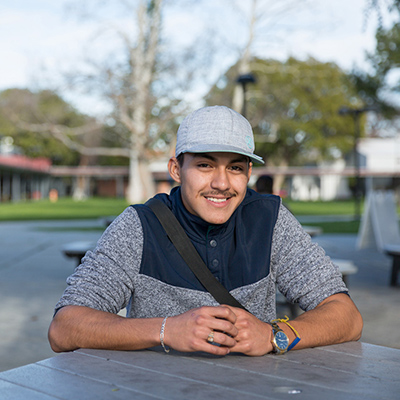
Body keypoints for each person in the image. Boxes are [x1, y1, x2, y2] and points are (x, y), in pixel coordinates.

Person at [48, 105, 362, 357]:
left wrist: (273, 335)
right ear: (175, 169)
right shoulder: (139, 225)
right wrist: (167, 330)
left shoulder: (270, 219)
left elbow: (346, 316)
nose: (222, 183)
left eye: (235, 168)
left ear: (248, 173)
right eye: (205, 165)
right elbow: (64, 328)